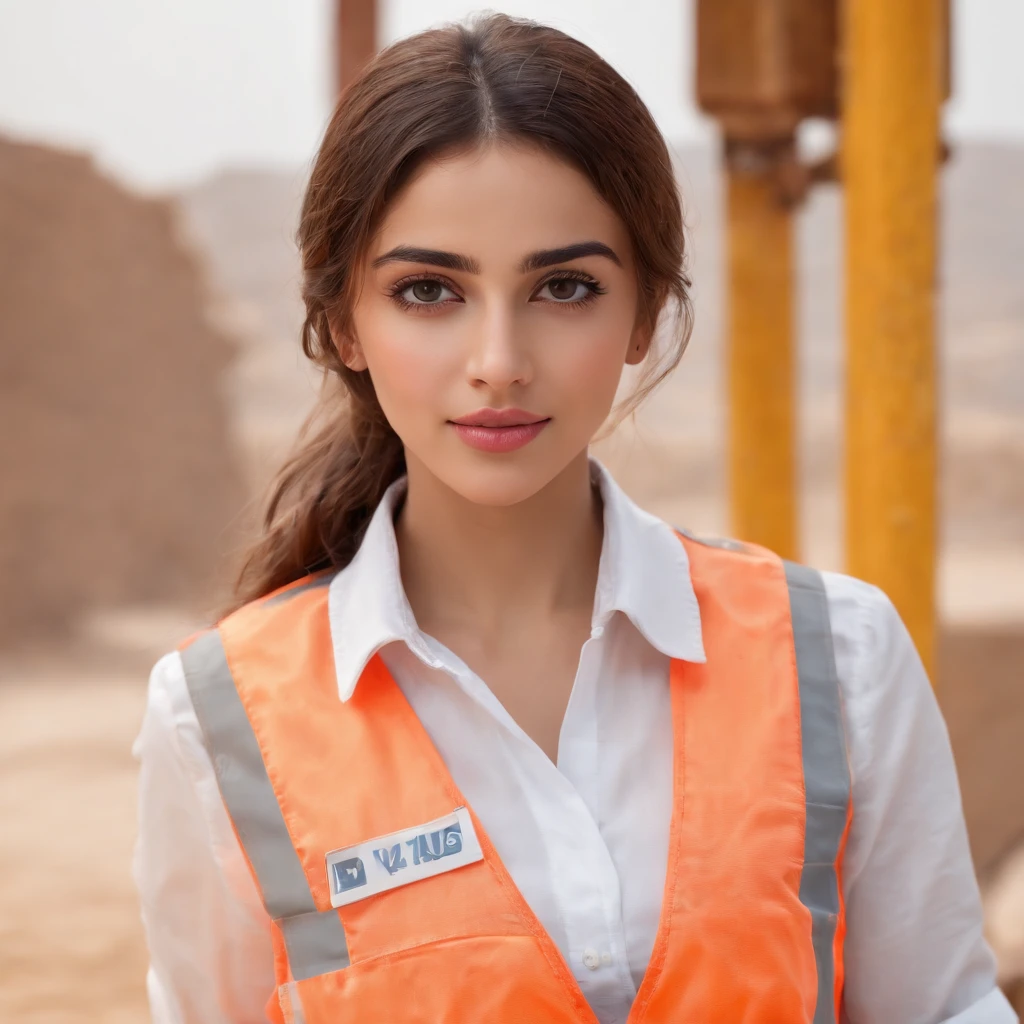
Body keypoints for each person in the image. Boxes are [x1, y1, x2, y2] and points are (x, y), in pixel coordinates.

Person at [132, 13, 1016, 1024]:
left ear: (642, 312)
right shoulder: (216, 721)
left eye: (563, 287)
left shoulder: (839, 660)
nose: (499, 358)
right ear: (342, 324)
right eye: (428, 290)